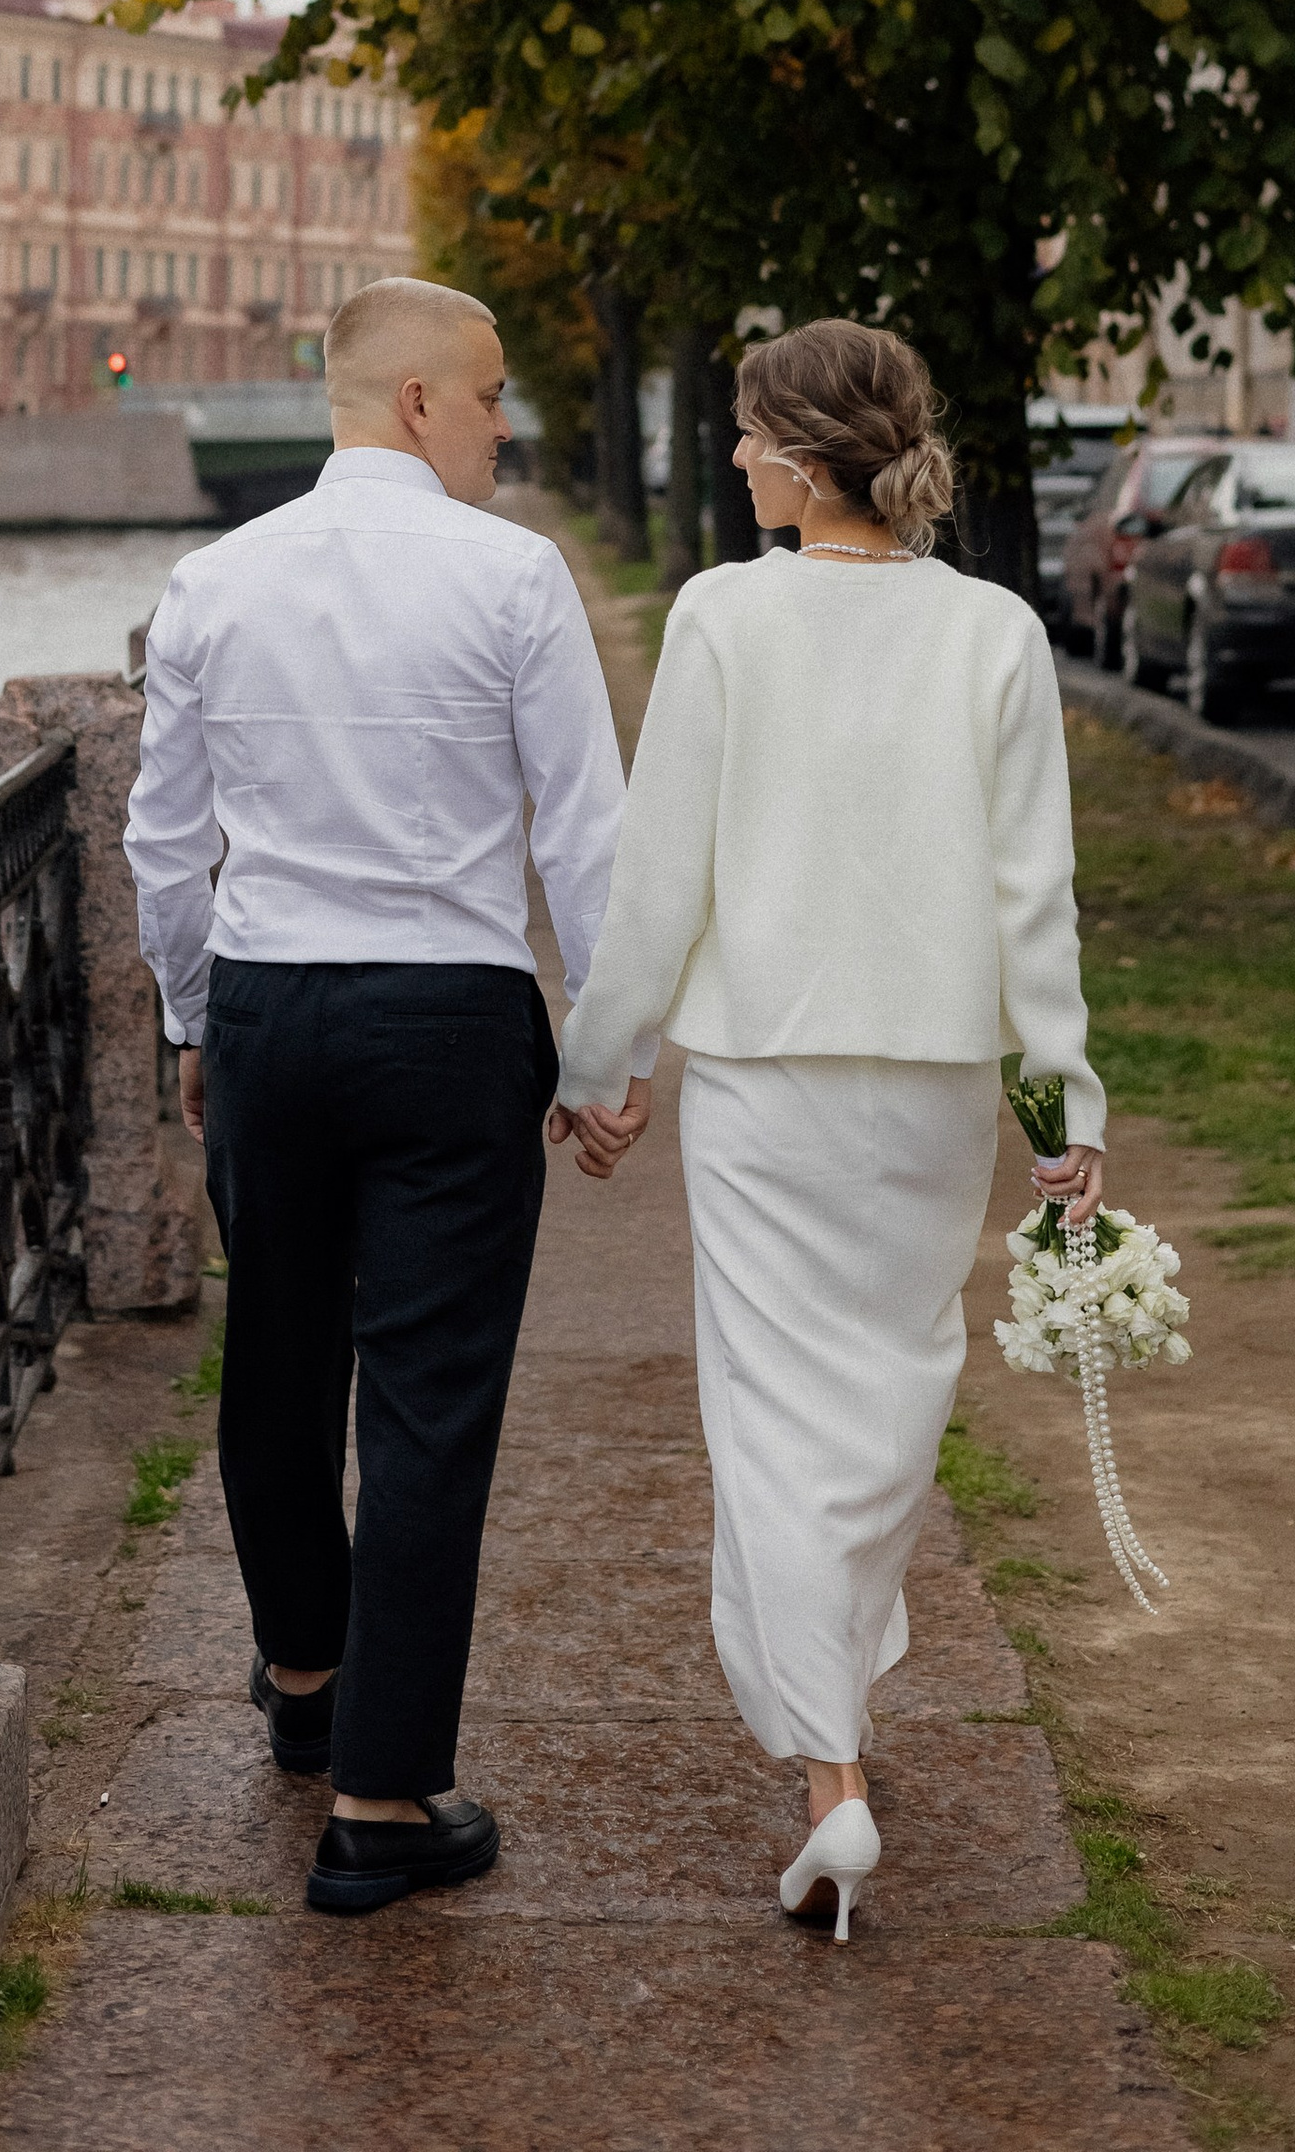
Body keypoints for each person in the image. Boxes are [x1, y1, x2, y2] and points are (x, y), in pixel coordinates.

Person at [555, 318, 1103, 1946]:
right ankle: (841, 1713)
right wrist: (1062, 1098)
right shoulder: (996, 631)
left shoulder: (725, 616)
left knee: (777, 1425)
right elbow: (1034, 891)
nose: (731, 463)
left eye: (744, 438)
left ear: (801, 452)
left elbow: (663, 874)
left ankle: (831, 1785)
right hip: (934, 1081)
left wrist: (604, 1061)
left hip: (767, 1076)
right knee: (882, 1405)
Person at [122, 274, 631, 1917]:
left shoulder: (215, 580)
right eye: (490, 395)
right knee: (426, 1407)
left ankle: (305, 1673)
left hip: (273, 1006)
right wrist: (606, 1055)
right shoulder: (513, 579)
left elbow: (160, 844)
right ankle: (387, 1801)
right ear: (415, 400)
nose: (505, 425)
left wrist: (198, 1015)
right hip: (452, 1016)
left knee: (274, 1364)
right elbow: (584, 837)